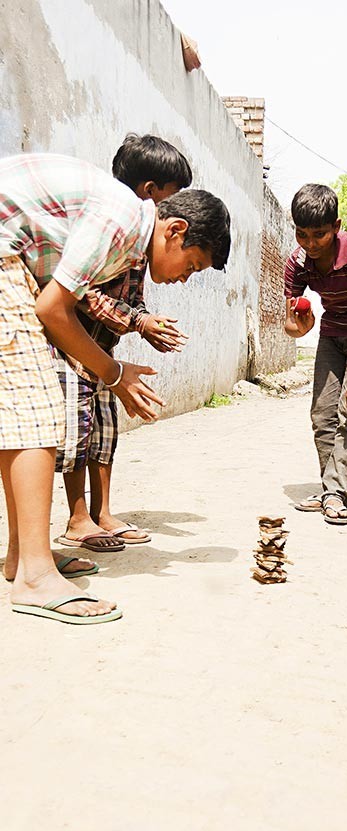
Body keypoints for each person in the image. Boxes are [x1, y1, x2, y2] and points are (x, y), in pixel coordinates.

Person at [0, 152, 230, 624]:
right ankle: (35, 579)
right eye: (194, 264)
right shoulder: (122, 221)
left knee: (33, 407)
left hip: (12, 257)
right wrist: (113, 373)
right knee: (37, 413)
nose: (187, 276)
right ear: (176, 230)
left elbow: (57, 299)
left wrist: (110, 367)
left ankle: (24, 556)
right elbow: (52, 309)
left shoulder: (127, 235)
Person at [54, 134, 193, 554]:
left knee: (104, 430)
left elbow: (133, 297)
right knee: (75, 433)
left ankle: (103, 512)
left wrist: (144, 322)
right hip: (74, 346)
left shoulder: (138, 240)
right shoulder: (108, 226)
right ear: (150, 191)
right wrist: (138, 321)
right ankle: (78, 518)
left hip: (103, 351)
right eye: (171, 196)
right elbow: (84, 294)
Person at [284, 184, 347, 525]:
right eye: (302, 234)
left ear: (337, 227)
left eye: (320, 234)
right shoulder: (298, 262)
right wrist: (302, 326)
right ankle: (332, 488)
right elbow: (290, 325)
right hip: (332, 331)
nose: (311, 244)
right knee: (322, 415)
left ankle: (335, 491)